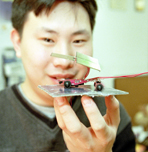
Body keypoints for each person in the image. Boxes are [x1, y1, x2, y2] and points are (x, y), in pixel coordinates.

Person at [0, 0, 136, 151]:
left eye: (78, 41)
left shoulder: (111, 118)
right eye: (47, 39)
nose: (64, 62)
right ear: (18, 42)